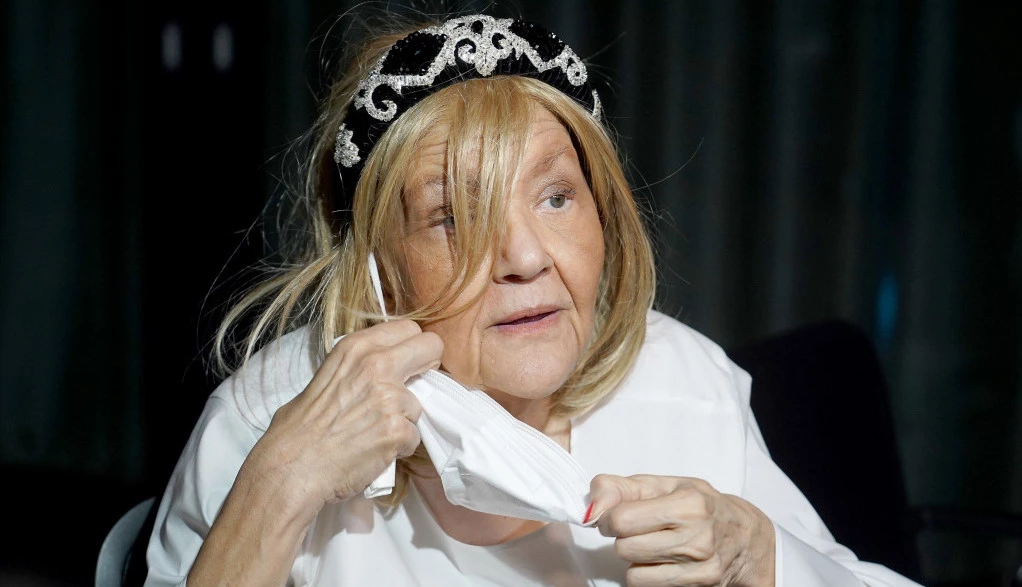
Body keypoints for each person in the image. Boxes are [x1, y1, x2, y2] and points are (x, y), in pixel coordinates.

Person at [144, 13, 922, 587]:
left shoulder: (682, 384)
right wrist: (280, 481)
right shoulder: (270, 413)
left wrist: (757, 553)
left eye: (556, 197)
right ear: (380, 266)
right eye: (454, 217)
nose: (524, 257)